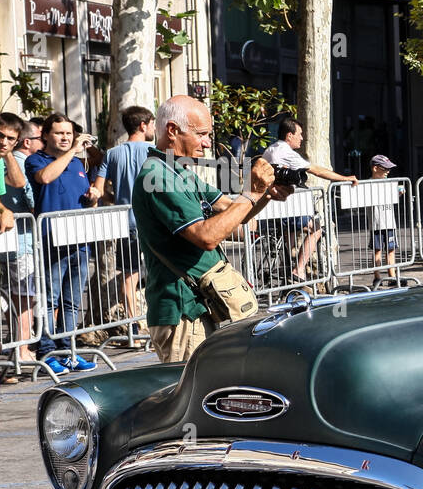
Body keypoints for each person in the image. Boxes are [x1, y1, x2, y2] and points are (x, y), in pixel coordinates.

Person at [135, 96, 292, 363]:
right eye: (202, 135)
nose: (208, 143)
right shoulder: (157, 177)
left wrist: (264, 193)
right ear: (172, 130)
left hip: (200, 306)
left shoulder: (179, 170)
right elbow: (206, 236)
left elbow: (233, 211)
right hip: (181, 311)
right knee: (190, 398)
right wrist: (252, 193)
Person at [26, 112, 103, 373]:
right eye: (59, 133)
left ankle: (68, 350)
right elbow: (45, 178)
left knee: (72, 301)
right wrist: (71, 151)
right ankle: (47, 351)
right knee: (50, 299)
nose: (66, 137)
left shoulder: (77, 164)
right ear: (46, 135)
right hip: (51, 239)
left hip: (79, 240)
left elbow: (83, 199)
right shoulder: (36, 160)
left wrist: (93, 196)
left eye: (69, 134)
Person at [261, 116, 356, 281]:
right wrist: (345, 178)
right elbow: (317, 170)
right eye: (299, 134)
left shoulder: (270, 150)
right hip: (289, 204)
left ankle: (287, 273)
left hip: (273, 205)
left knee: (289, 235)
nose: (302, 138)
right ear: (289, 135)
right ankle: (298, 270)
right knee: (317, 229)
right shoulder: (287, 153)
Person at [97, 105, 155, 330]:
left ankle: (134, 324)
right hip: (151, 221)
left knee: (129, 275)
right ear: (142, 125)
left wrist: (120, 197)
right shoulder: (155, 152)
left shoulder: (111, 154)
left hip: (125, 221)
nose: (152, 129)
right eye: (151, 124)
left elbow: (100, 191)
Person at [0, 113, 27, 358]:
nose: (3, 142)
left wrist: (5, 210)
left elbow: (15, 184)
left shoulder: (0, 162)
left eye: (10, 139)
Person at [367, 154, 399, 285]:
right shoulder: (368, 184)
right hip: (376, 223)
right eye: (385, 169)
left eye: (388, 169)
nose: (388, 172)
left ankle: (392, 276)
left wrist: (399, 193)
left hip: (390, 221)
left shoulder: (389, 183)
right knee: (377, 250)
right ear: (375, 168)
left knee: (391, 250)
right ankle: (377, 277)